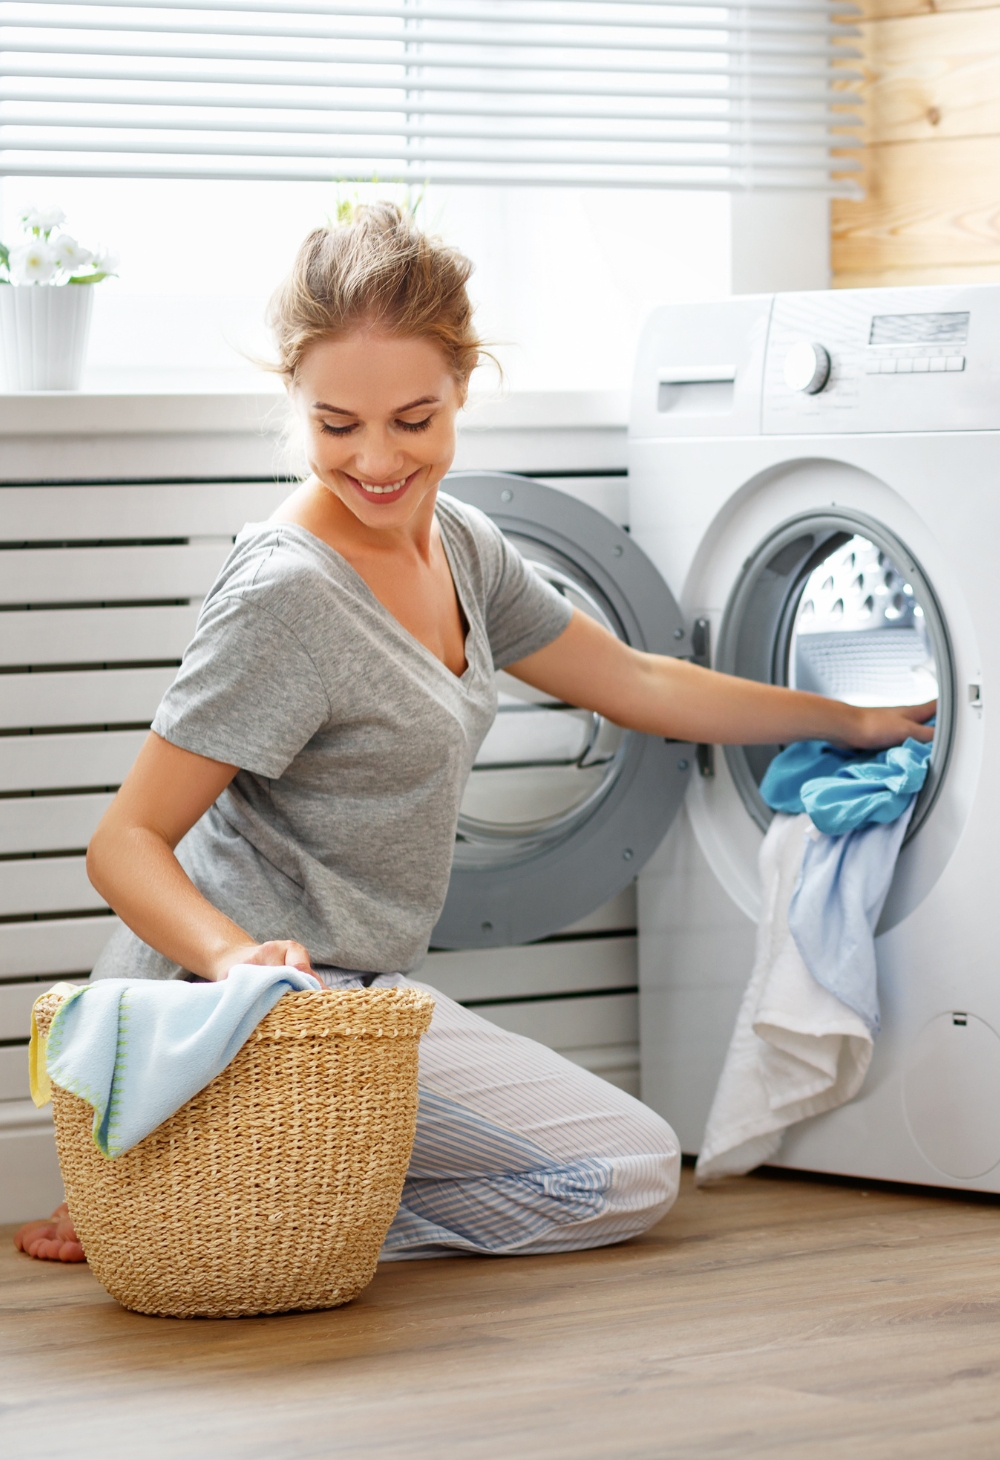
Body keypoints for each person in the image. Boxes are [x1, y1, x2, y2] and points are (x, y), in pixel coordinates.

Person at [15, 203, 934, 1265]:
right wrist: (233, 958)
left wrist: (851, 716)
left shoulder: (461, 542)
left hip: (358, 1003)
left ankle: (220, 1208)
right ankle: (210, 1207)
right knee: (625, 1172)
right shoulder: (285, 594)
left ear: (463, 385)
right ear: (295, 404)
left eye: (413, 418)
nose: (373, 459)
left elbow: (633, 678)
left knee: (619, 1165)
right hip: (237, 1006)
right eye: (334, 424)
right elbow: (122, 841)